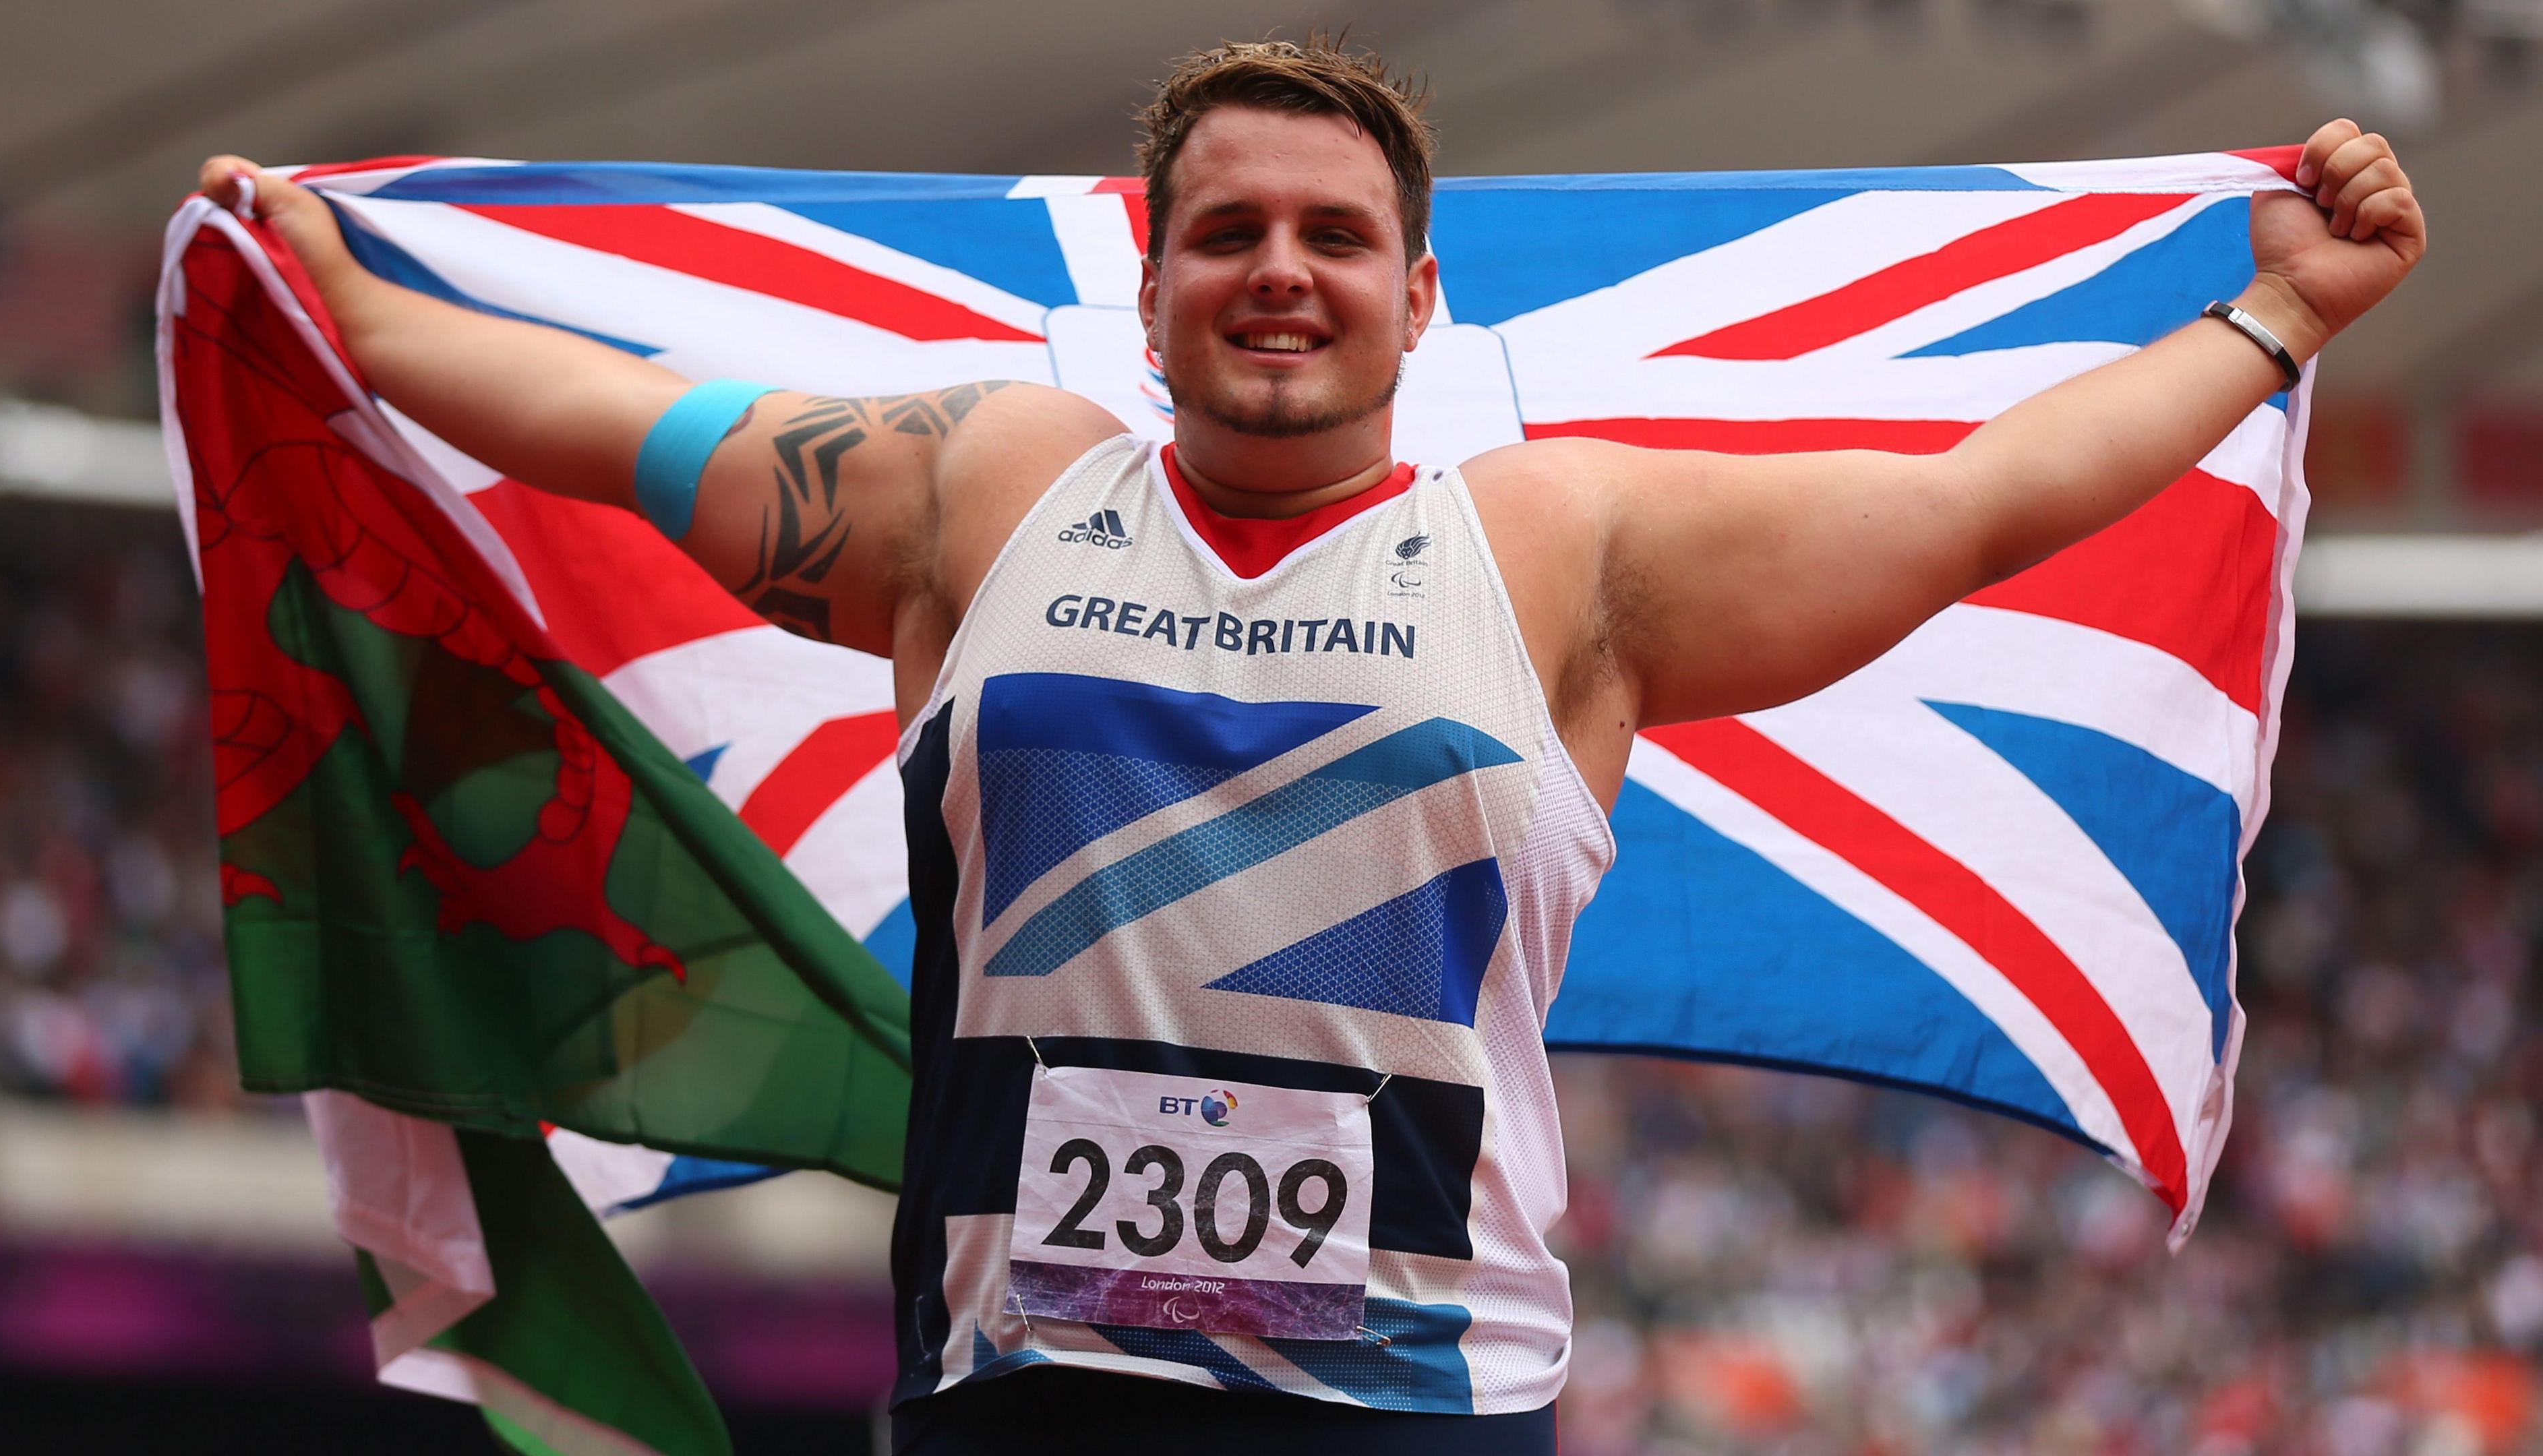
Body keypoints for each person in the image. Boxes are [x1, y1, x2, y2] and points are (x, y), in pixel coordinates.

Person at [198, 34, 2424, 1456]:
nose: (1283, 270)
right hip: (1031, 1391)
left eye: (1336, 236)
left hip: (1425, 1406)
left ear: (1418, 293)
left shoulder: (1568, 554)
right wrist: (338, 301)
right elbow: (597, 426)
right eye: (1228, 233)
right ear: (1147, 277)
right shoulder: (984, 495)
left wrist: (2273, 317)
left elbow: (1968, 510)